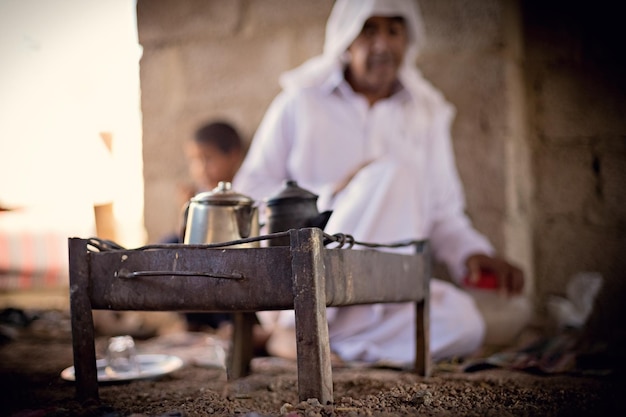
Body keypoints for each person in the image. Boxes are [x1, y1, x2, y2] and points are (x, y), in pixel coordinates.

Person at [233, 0, 524, 366]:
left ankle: (315, 346)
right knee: (392, 176)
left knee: (465, 323)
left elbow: (442, 213)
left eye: (393, 31)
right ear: (347, 40)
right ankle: (298, 327)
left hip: (384, 295)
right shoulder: (300, 103)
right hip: (302, 285)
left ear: (407, 40)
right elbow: (251, 189)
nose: (382, 44)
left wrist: (473, 253)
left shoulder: (426, 114)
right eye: (369, 30)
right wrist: (335, 193)